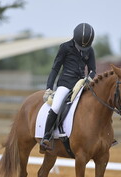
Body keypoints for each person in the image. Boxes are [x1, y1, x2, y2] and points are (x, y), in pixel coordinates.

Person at [40, 22, 96, 150]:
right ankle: (46, 137)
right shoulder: (65, 47)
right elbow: (55, 68)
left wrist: (89, 78)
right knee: (56, 105)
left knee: (96, 104)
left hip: (81, 83)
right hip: (66, 83)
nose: (83, 50)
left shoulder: (89, 50)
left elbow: (93, 69)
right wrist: (49, 87)